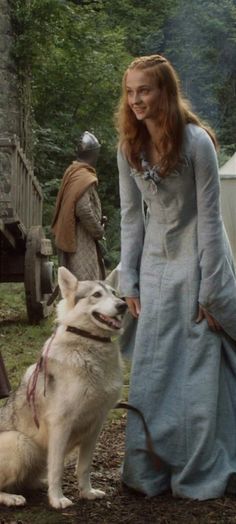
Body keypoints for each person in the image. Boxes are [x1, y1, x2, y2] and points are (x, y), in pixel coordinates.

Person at [116, 54, 236, 500]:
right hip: (155, 263)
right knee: (154, 361)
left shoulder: (196, 142)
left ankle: (199, 465)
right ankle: (149, 467)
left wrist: (212, 289)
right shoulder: (127, 145)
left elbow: (209, 221)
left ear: (165, 91)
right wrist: (129, 278)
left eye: (144, 91)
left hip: (199, 258)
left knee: (200, 360)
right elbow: (131, 218)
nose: (136, 101)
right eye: (129, 92)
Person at [52, 131, 106, 280]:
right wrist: (98, 230)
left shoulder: (73, 172)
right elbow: (83, 209)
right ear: (93, 154)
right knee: (84, 282)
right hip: (81, 237)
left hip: (72, 233)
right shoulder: (83, 176)